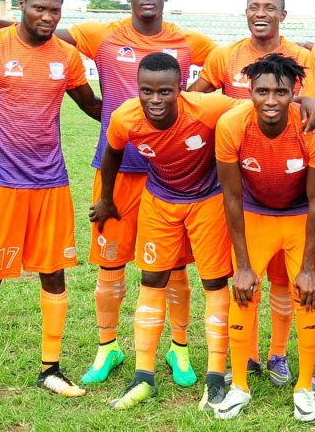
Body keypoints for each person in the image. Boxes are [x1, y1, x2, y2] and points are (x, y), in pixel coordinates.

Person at [0, 0, 216, 389]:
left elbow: (235, 62)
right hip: (115, 169)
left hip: (172, 171)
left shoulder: (190, 41)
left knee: (174, 266)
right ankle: (107, 347)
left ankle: (178, 349)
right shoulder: (101, 35)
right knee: (110, 263)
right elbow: (41, 29)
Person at [0, 0, 102, 407]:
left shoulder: (67, 56)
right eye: (39, 7)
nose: (47, 16)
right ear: (21, 5)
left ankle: (51, 369)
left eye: (55, 10)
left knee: (54, 274)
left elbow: (92, 106)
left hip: (51, 182)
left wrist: (147, 110)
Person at [90, 52, 242, 410]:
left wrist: (303, 101)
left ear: (181, 89)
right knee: (151, 280)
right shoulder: (125, 116)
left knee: (215, 284)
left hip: (208, 201)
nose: (155, 100)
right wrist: (107, 199)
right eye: (147, 91)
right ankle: (143, 377)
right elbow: (112, 151)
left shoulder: (207, 107)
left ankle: (216, 378)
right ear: (137, 89)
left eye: (164, 92)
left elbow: (252, 107)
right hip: (159, 200)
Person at [189, 0, 311, 386]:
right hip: (248, 185)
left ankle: (278, 354)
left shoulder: (304, 58)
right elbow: (195, 100)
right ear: (245, 13)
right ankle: (251, 356)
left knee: (281, 278)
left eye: (270, 8)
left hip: (292, 188)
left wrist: (305, 104)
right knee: (248, 276)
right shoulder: (225, 56)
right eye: (254, 7)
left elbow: (312, 109)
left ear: (283, 14)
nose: (261, 13)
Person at [214, 53, 315, 421]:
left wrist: (310, 268)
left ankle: (304, 389)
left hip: (300, 217)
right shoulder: (231, 125)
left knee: (307, 294)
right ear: (249, 90)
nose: (270, 100)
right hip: (255, 215)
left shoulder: (313, 126)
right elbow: (231, 197)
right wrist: (244, 265)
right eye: (261, 91)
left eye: (280, 92)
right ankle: (239, 387)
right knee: (244, 292)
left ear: (294, 92)